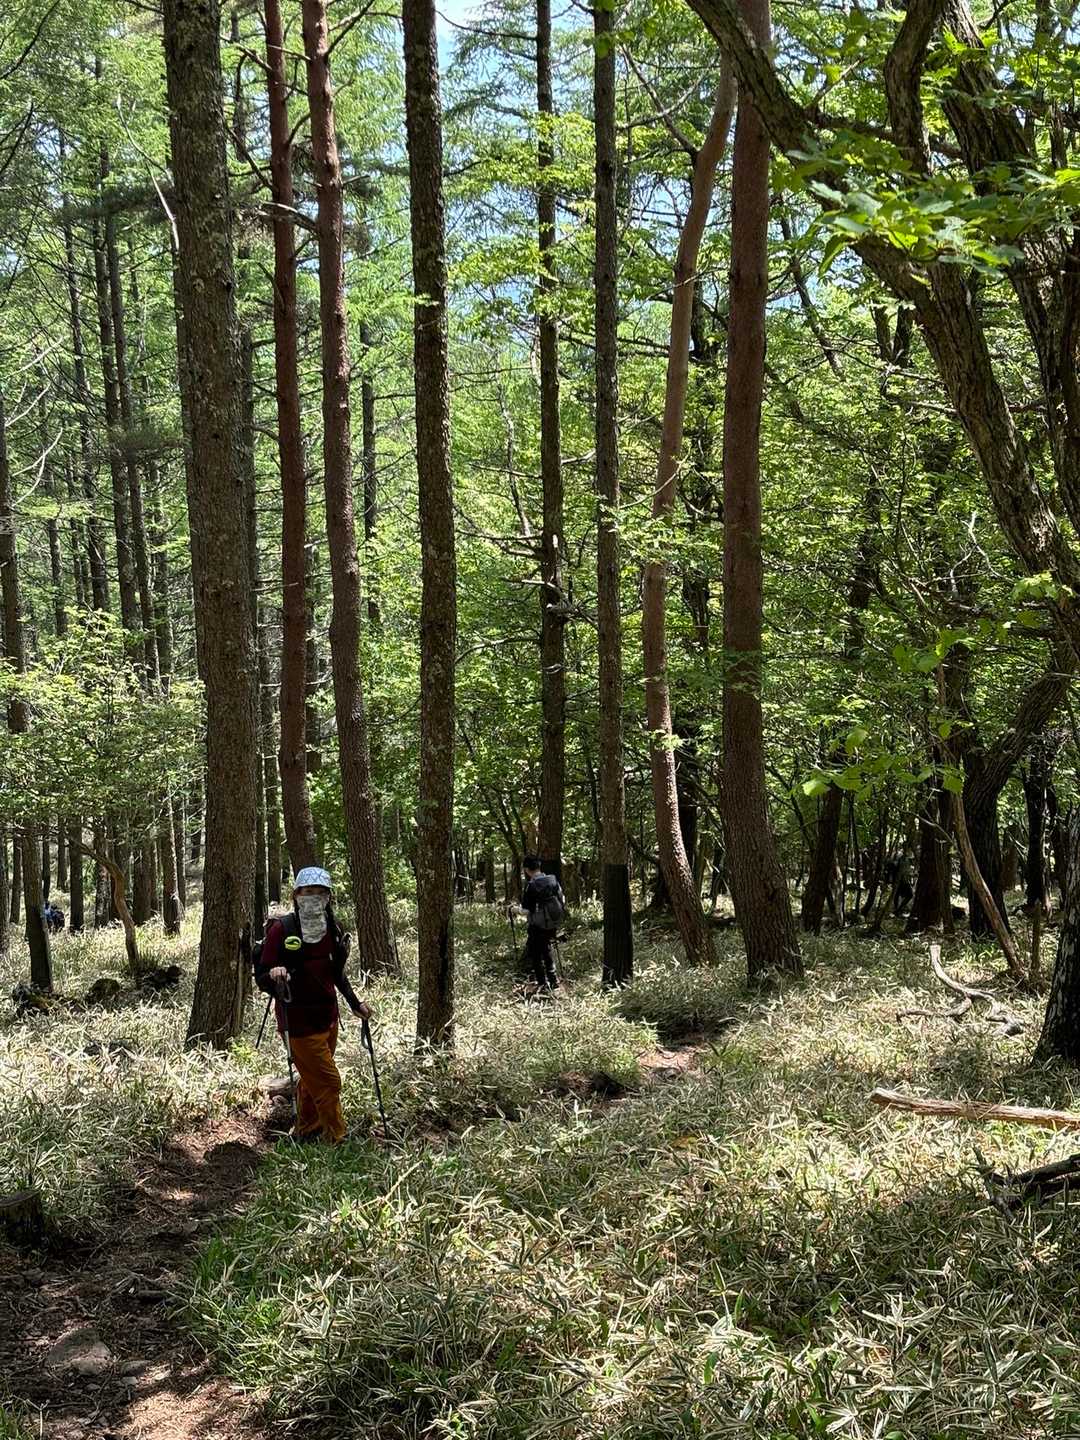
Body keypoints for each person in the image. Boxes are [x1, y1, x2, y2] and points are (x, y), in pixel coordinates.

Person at [254, 866, 372, 1144]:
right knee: (329, 1081)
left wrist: (355, 1003)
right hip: (297, 1023)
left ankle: (307, 1130)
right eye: (308, 892)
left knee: (311, 1080)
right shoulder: (281, 930)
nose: (314, 898)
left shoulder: (333, 929)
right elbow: (262, 976)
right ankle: (337, 1139)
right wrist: (275, 975)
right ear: (296, 895)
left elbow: (336, 973)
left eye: (320, 892)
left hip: (328, 1018)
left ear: (328, 897)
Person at [509, 855, 566, 991]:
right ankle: (553, 981)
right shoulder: (552, 880)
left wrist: (513, 909)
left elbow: (526, 911)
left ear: (526, 869)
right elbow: (562, 899)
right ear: (539, 866)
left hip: (537, 926)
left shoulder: (531, 886)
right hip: (552, 923)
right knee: (547, 950)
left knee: (536, 955)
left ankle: (542, 983)